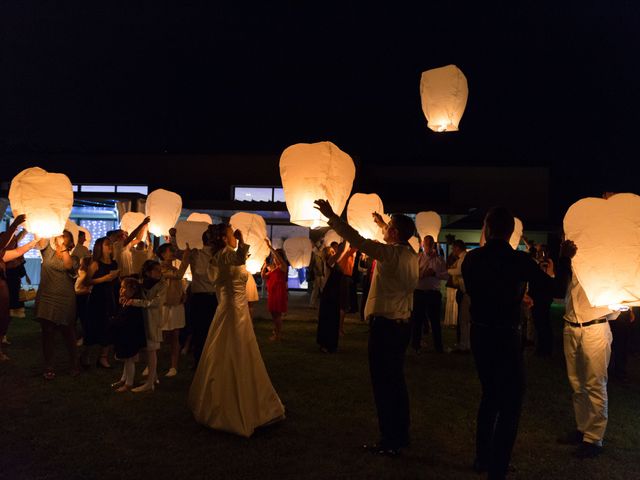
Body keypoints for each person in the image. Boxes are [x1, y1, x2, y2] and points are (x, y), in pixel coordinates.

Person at [461, 207, 574, 480]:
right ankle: (497, 466)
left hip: (480, 333)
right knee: (511, 401)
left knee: (489, 394)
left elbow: (480, 290)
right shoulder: (518, 261)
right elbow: (557, 289)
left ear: (486, 229)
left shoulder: (472, 259)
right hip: (506, 335)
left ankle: (483, 457)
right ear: (511, 231)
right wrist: (564, 258)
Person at [314, 199, 419, 457]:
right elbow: (394, 236)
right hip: (402, 326)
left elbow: (357, 240)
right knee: (396, 381)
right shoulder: (410, 254)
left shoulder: (390, 254)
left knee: (383, 384)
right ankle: (401, 434)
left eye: (388, 227)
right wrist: (384, 223)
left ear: (393, 233)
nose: (384, 229)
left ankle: (389, 439)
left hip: (385, 328)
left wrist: (332, 216)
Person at [189, 223, 285, 437]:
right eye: (232, 233)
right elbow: (239, 259)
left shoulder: (225, 256)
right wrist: (242, 242)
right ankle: (230, 407)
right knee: (234, 350)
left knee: (240, 352)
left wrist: (240, 244)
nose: (236, 236)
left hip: (237, 309)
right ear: (224, 238)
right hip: (233, 311)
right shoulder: (224, 256)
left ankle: (250, 401)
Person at [34, 229, 81, 379]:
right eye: (59, 234)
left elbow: (68, 266)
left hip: (64, 298)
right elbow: (38, 236)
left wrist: (64, 248)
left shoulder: (74, 258)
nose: (60, 236)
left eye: (64, 235)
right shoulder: (47, 251)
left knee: (68, 332)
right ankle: (49, 366)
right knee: (47, 332)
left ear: (71, 241)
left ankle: (74, 363)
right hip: (47, 296)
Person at [1, 215, 37, 361]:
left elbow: (17, 252)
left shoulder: (2, 254)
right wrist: (14, 225)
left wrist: (34, 241)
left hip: (3, 289)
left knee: (3, 319)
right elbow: (4, 243)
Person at [82, 237, 120, 369]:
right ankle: (86, 355)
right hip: (98, 298)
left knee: (109, 326)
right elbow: (86, 282)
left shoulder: (114, 263)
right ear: (100, 247)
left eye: (111, 244)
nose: (110, 246)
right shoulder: (96, 264)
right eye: (107, 244)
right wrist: (104, 279)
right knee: (93, 326)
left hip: (111, 297)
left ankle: (103, 357)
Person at [157, 243, 190, 377]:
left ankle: (173, 366)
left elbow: (179, 281)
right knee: (160, 337)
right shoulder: (160, 269)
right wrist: (186, 258)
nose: (173, 253)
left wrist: (183, 293)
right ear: (163, 254)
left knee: (175, 336)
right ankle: (152, 364)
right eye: (170, 251)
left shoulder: (173, 267)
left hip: (176, 305)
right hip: (164, 305)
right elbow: (177, 276)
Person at [187, 228, 218, 367]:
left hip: (211, 297)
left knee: (209, 330)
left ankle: (208, 360)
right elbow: (179, 253)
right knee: (200, 330)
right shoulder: (196, 253)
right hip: (202, 297)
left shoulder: (218, 255)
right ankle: (200, 361)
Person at [134, 259, 167, 392]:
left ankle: (149, 383)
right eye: (156, 270)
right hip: (143, 319)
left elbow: (156, 303)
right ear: (148, 272)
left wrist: (137, 302)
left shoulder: (162, 285)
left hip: (153, 320)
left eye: (160, 270)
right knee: (148, 349)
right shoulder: (142, 283)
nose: (160, 273)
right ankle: (153, 377)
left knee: (152, 349)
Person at [411, 235, 448, 353]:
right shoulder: (417, 258)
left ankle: (438, 347)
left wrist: (435, 274)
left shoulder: (439, 259)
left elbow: (446, 275)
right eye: (426, 243)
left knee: (435, 321)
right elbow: (412, 274)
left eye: (430, 244)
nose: (428, 246)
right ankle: (415, 345)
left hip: (433, 293)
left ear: (433, 245)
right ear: (423, 244)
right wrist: (422, 274)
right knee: (417, 320)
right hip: (419, 292)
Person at [110, 278, 147, 392]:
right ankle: (123, 378)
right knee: (127, 360)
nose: (120, 290)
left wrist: (115, 321)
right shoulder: (125, 302)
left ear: (132, 290)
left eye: (124, 287)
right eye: (120, 287)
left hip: (130, 337)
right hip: (125, 336)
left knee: (130, 360)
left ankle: (129, 383)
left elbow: (128, 321)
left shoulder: (133, 305)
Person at [317, 242, 349, 353]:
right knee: (328, 319)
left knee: (334, 319)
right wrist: (346, 236)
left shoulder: (335, 264)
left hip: (334, 294)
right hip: (328, 295)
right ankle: (325, 344)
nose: (334, 251)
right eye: (331, 251)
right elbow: (341, 251)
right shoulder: (329, 262)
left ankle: (332, 344)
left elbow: (342, 252)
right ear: (328, 254)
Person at [261, 240, 288, 341]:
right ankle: (276, 331)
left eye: (276, 257)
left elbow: (280, 260)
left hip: (278, 293)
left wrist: (270, 247)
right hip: (272, 293)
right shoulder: (272, 268)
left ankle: (277, 334)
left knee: (277, 315)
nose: (274, 259)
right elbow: (264, 276)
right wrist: (264, 267)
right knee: (273, 314)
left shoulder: (283, 267)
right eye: (274, 258)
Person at [448, 240, 470, 353]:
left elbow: (459, 271)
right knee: (465, 320)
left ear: (457, 248)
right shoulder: (466, 257)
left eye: (453, 248)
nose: (452, 250)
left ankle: (464, 345)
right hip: (467, 292)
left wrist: (448, 271)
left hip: (467, 292)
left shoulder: (463, 258)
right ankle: (466, 344)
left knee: (463, 320)